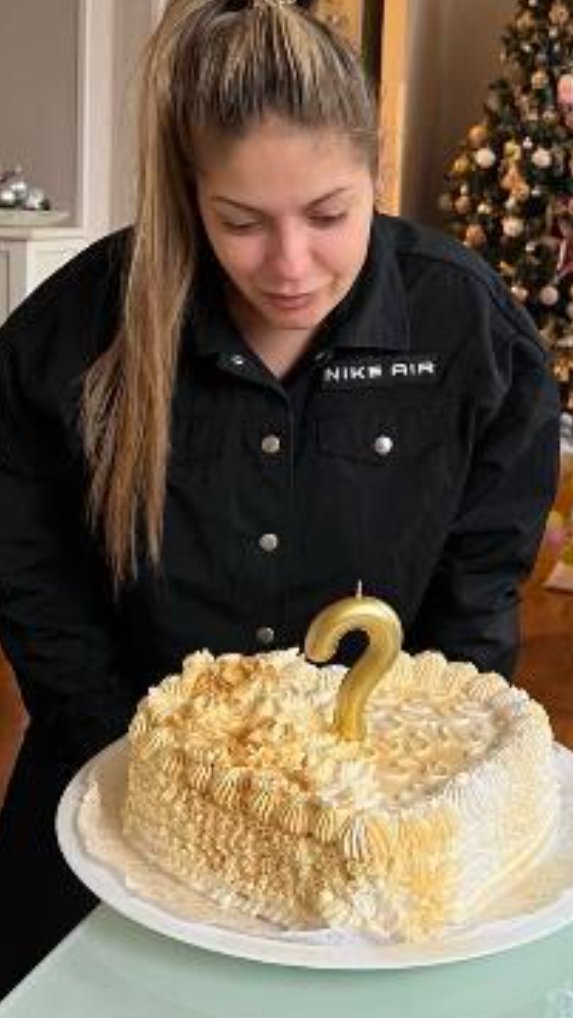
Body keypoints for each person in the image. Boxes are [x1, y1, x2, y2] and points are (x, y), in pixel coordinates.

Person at [0, 0, 560, 996]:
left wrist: (418, 807)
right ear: (190, 193)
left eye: (329, 214)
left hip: (374, 833)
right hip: (109, 780)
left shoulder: (467, 329)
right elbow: (27, 564)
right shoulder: (76, 329)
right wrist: (135, 761)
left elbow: (476, 593)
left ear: (374, 172)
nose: (291, 266)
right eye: (241, 223)